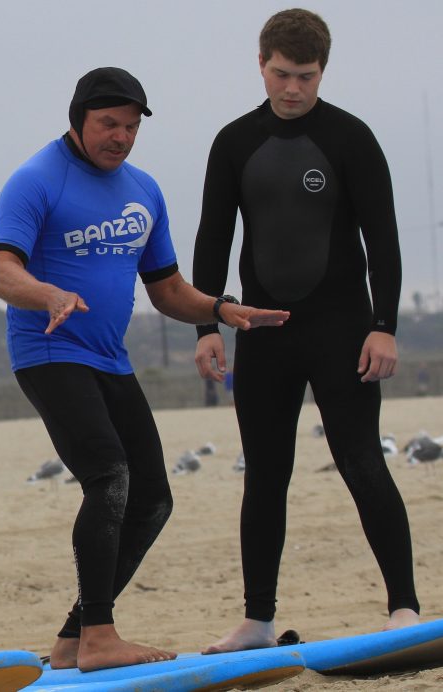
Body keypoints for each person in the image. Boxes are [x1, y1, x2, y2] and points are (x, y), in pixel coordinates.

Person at [0, 67, 289, 672]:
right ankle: (101, 634)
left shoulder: (143, 191)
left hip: (109, 358)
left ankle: (75, 635)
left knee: (152, 496)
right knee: (110, 476)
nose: (120, 137)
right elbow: (1, 271)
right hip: (49, 351)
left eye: (129, 127)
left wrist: (223, 310)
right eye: (108, 124)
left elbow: (168, 289)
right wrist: (47, 294)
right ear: (77, 119)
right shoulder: (35, 180)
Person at [192, 8, 421, 653]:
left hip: (342, 328)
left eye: (307, 77)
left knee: (360, 459)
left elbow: (384, 240)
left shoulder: (351, 138)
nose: (293, 88)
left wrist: (384, 326)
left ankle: (403, 606)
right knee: (265, 473)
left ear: (324, 72)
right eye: (282, 74)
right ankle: (258, 619)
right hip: (262, 331)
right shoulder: (234, 141)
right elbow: (214, 236)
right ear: (261, 64)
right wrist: (208, 322)